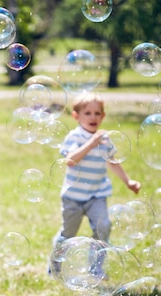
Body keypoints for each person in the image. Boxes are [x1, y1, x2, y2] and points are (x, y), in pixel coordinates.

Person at [51, 92, 141, 267]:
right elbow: (70, 160)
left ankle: (96, 269)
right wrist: (92, 143)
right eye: (87, 113)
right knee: (68, 234)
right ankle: (55, 264)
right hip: (73, 196)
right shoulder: (75, 137)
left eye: (97, 113)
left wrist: (128, 181)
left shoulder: (104, 140)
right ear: (76, 116)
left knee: (103, 228)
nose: (93, 117)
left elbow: (112, 162)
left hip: (97, 194)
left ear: (103, 116)